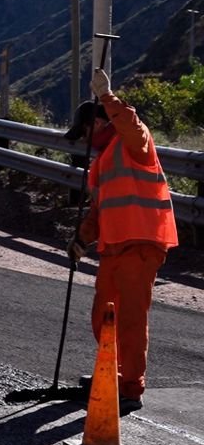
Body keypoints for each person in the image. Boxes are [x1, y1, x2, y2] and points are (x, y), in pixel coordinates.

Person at [66, 68, 177, 415]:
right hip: (113, 247)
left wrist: (106, 96)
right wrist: (81, 240)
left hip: (141, 243)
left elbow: (130, 124)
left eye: (86, 131)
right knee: (103, 315)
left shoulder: (134, 143)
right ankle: (111, 374)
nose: (85, 140)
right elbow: (99, 212)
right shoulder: (101, 163)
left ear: (99, 123)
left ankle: (130, 386)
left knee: (129, 318)